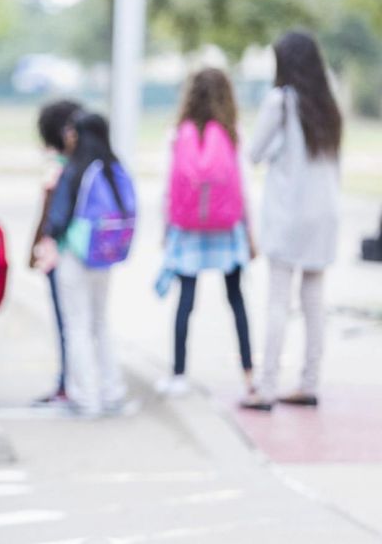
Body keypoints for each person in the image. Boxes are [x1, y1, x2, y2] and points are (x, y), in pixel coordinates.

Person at [241, 31, 343, 411]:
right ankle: (309, 381)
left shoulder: (280, 102)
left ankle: (267, 387)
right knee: (314, 300)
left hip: (289, 214)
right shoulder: (328, 104)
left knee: (278, 301)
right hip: (325, 214)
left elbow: (253, 153)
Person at [154, 69, 256, 398]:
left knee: (185, 301)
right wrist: (251, 233)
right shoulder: (232, 133)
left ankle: (179, 374)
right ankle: (249, 374)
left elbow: (167, 189)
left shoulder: (178, 134)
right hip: (228, 228)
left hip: (187, 230)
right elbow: (245, 187)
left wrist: (165, 230)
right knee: (237, 300)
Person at [39, 113, 135, 418]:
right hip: (105, 254)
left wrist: (48, 238)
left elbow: (59, 216)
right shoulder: (113, 167)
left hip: (76, 253)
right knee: (100, 323)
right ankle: (112, 392)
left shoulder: (76, 169)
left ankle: (85, 396)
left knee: (76, 326)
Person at [30, 100, 82, 407]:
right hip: (82, 253)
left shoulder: (57, 168)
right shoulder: (85, 165)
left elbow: (46, 215)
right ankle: (74, 381)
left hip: (58, 254)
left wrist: (32, 249)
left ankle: (67, 383)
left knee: (66, 323)